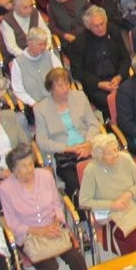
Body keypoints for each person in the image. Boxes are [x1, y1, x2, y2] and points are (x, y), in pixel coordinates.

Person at [0, 143, 101, 270]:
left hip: (53, 226)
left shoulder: (45, 176)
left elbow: (56, 204)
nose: (30, 169)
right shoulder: (5, 188)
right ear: (13, 170)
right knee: (49, 266)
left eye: (30, 163)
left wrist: (56, 222)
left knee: (74, 256)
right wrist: (39, 231)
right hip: (30, 234)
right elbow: (11, 222)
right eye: (23, 166)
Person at [79, 133, 136, 255]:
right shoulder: (91, 170)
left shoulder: (125, 158)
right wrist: (112, 205)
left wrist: (129, 193)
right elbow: (84, 201)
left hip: (133, 206)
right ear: (100, 156)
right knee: (130, 237)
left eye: (116, 150)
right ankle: (132, 263)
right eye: (110, 153)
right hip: (110, 213)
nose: (115, 155)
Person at [33, 67, 100, 201]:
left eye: (67, 83)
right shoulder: (40, 109)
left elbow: (93, 123)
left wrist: (88, 143)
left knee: (102, 171)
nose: (65, 88)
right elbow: (42, 141)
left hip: (87, 146)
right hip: (64, 155)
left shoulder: (79, 96)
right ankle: (82, 210)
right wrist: (68, 148)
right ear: (51, 88)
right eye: (60, 85)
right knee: (74, 182)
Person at [67, 6, 130, 119]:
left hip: (118, 79)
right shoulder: (79, 43)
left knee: (132, 96)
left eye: (102, 24)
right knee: (111, 103)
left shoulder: (114, 31)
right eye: (96, 26)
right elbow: (77, 72)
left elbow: (125, 58)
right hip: (97, 85)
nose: (100, 28)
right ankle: (114, 125)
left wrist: (119, 76)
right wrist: (99, 84)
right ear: (88, 26)